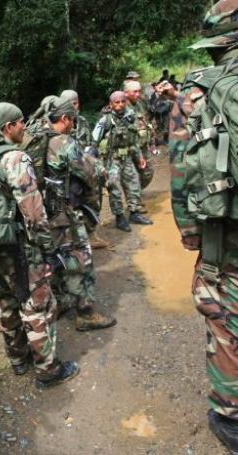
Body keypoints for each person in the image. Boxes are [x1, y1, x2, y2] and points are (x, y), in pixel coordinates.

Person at [169, 1, 238, 451]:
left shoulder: (195, 93)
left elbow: (181, 169)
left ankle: (230, 419)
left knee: (226, 320)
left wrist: (191, 232)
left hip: (224, 233)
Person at [0, 102, 79, 387]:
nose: (25, 126)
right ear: (8, 127)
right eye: (20, 121)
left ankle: (18, 360)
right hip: (20, 247)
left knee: (8, 301)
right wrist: (47, 246)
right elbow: (33, 211)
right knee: (38, 305)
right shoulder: (16, 159)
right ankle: (48, 370)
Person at [43, 97, 117, 332]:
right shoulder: (62, 142)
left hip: (42, 214)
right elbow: (88, 171)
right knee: (80, 259)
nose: (74, 125)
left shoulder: (36, 138)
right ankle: (85, 313)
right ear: (64, 119)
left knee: (54, 258)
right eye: (72, 121)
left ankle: (59, 302)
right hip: (63, 214)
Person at [59, 89, 113, 250]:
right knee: (68, 208)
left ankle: (91, 235)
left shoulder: (82, 122)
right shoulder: (57, 124)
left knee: (91, 202)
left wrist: (97, 165)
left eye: (75, 103)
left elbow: (90, 146)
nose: (72, 107)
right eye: (68, 104)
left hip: (83, 169)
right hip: (65, 173)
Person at [93, 91, 153, 231]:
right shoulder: (105, 121)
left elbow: (134, 140)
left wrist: (139, 157)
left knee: (134, 184)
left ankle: (134, 213)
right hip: (112, 160)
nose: (120, 105)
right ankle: (119, 216)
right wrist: (98, 165)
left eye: (123, 101)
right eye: (117, 102)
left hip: (127, 158)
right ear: (111, 104)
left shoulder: (130, 117)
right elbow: (93, 143)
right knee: (114, 187)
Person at [124, 80, 156, 193]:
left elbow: (145, 122)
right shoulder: (121, 107)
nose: (138, 94)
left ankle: (135, 192)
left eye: (139, 91)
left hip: (142, 144)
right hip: (130, 147)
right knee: (133, 173)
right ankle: (133, 196)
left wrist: (152, 142)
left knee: (148, 171)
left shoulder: (139, 105)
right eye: (135, 92)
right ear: (126, 93)